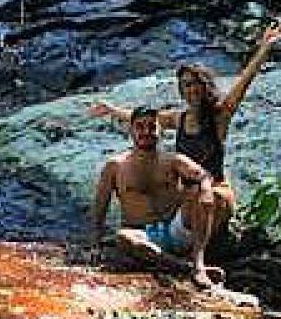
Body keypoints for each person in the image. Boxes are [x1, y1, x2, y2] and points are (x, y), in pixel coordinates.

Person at [90, 18, 281, 239]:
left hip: (213, 193)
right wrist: (111, 109)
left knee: (212, 197)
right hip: (187, 199)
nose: (192, 88)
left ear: (205, 87)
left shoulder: (219, 117)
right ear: (181, 90)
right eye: (186, 84)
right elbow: (144, 120)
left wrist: (264, 48)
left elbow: (243, 84)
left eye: (196, 83)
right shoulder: (179, 119)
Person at [89, 105, 220, 288]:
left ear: (160, 131)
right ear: (131, 131)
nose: (146, 132)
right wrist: (95, 244)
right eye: (140, 127)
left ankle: (199, 264)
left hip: (176, 228)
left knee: (203, 193)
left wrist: (206, 189)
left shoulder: (173, 160)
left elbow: (203, 174)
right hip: (143, 235)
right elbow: (100, 207)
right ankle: (183, 267)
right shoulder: (115, 166)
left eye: (152, 126)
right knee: (123, 237)